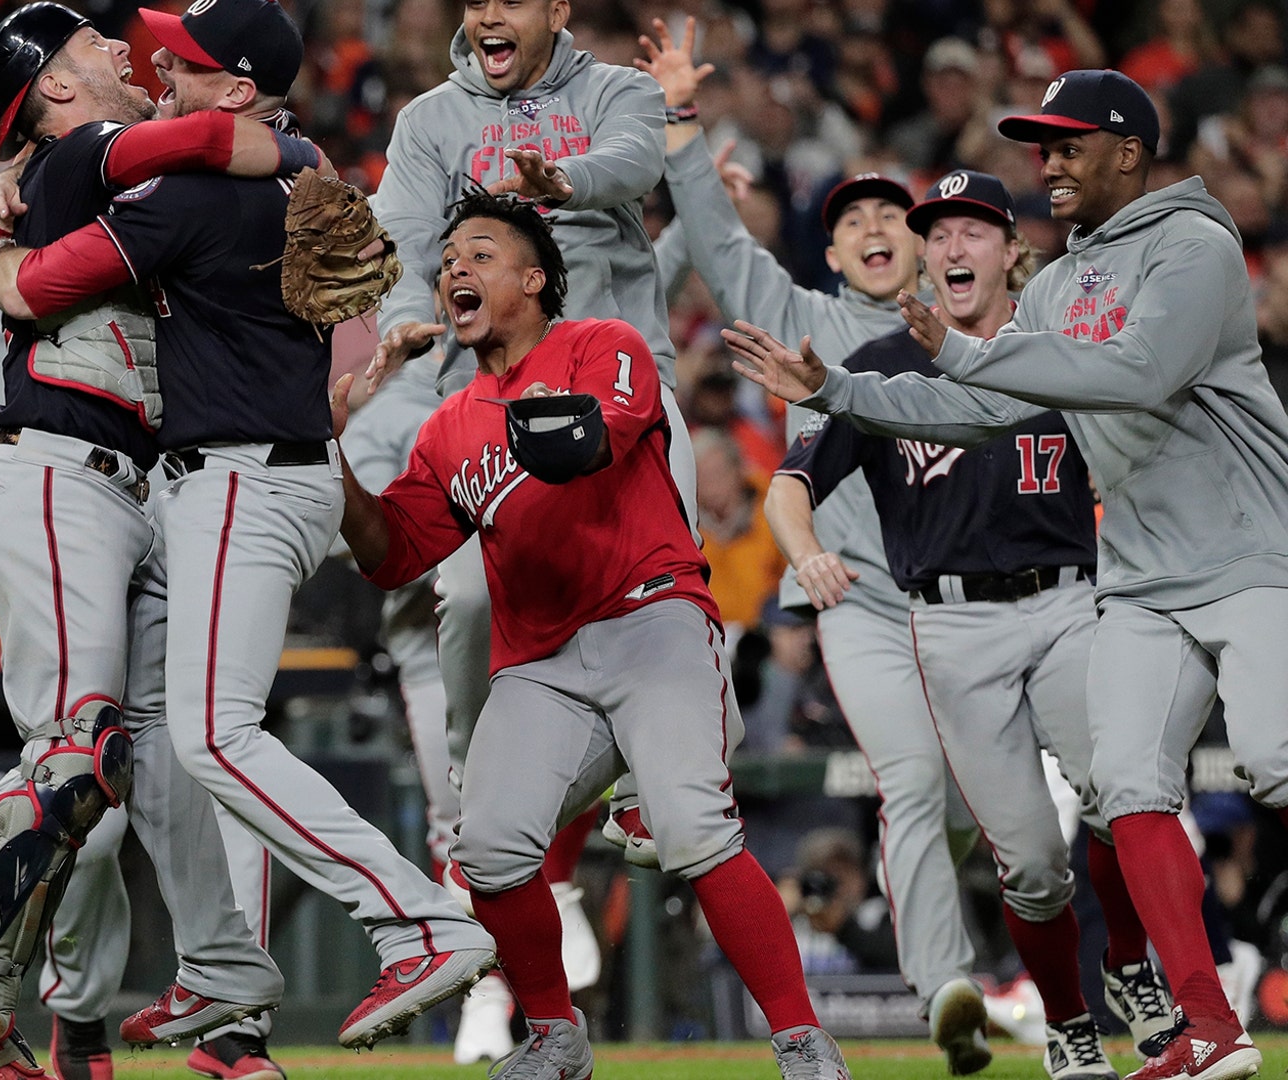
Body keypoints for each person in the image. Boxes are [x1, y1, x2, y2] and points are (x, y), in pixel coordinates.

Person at [727, 69, 1288, 1080]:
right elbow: (992, 411)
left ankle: (1172, 995)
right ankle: (1205, 1029)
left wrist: (972, 362)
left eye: (1070, 143)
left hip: (1235, 557)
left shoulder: (1196, 244)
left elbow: (1138, 373)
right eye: (1043, 145)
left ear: (1129, 149)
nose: (1051, 161)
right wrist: (839, 388)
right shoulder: (1064, 285)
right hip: (1112, 589)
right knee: (1111, 801)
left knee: (1276, 762)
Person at [0, 0, 497, 1057]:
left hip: (239, 480)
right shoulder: (290, 172)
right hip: (269, 475)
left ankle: (419, 923)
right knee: (173, 735)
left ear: (234, 87)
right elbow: (258, 142)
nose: (162, 65)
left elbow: (36, 289)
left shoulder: (192, 197)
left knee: (215, 735)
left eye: (189, 60)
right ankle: (221, 966)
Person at [0, 7, 329, 1079]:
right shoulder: (86, 153)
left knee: (150, 761)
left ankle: (164, 1006)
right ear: (55, 92)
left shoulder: (70, 173)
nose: (126, 49)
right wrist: (296, 145)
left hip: (121, 492)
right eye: (95, 46)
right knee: (83, 756)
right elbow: (213, 136)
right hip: (58, 475)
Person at [334, 191, 849, 1080]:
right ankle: (554, 1035)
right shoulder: (448, 427)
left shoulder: (600, 343)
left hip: (651, 618)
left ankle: (803, 1040)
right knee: (487, 851)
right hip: (541, 663)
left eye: (482, 253)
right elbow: (392, 553)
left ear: (534, 280)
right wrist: (326, 447)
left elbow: (594, 436)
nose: (456, 266)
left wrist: (506, 422)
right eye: (449, 255)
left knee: (692, 828)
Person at [634, 22, 1013, 1070]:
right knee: (912, 782)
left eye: (896, 213)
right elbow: (715, 241)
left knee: (996, 815)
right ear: (835, 250)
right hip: (865, 605)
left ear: (932, 241)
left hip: (991, 607)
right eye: (856, 221)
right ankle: (950, 991)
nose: (878, 227)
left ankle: (1013, 957)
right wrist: (678, 122)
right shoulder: (797, 317)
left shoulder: (981, 332)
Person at [759, 170, 1169, 1080]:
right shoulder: (876, 365)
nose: (951, 246)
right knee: (1027, 864)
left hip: (1069, 601)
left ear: (1011, 249)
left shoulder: (1064, 341)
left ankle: (1134, 968)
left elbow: (1150, 434)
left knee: (1121, 796)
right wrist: (803, 552)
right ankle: (1066, 1021)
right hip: (948, 625)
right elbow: (792, 483)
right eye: (936, 232)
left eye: (973, 230)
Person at [358, 0, 690, 1020]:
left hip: (620, 390)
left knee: (666, 590)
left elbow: (635, 162)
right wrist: (383, 307)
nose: (491, 12)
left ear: (556, 9)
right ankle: (479, 823)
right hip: (499, 398)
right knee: (458, 595)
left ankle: (643, 783)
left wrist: (566, 181)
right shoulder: (429, 123)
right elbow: (401, 252)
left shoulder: (614, 93)